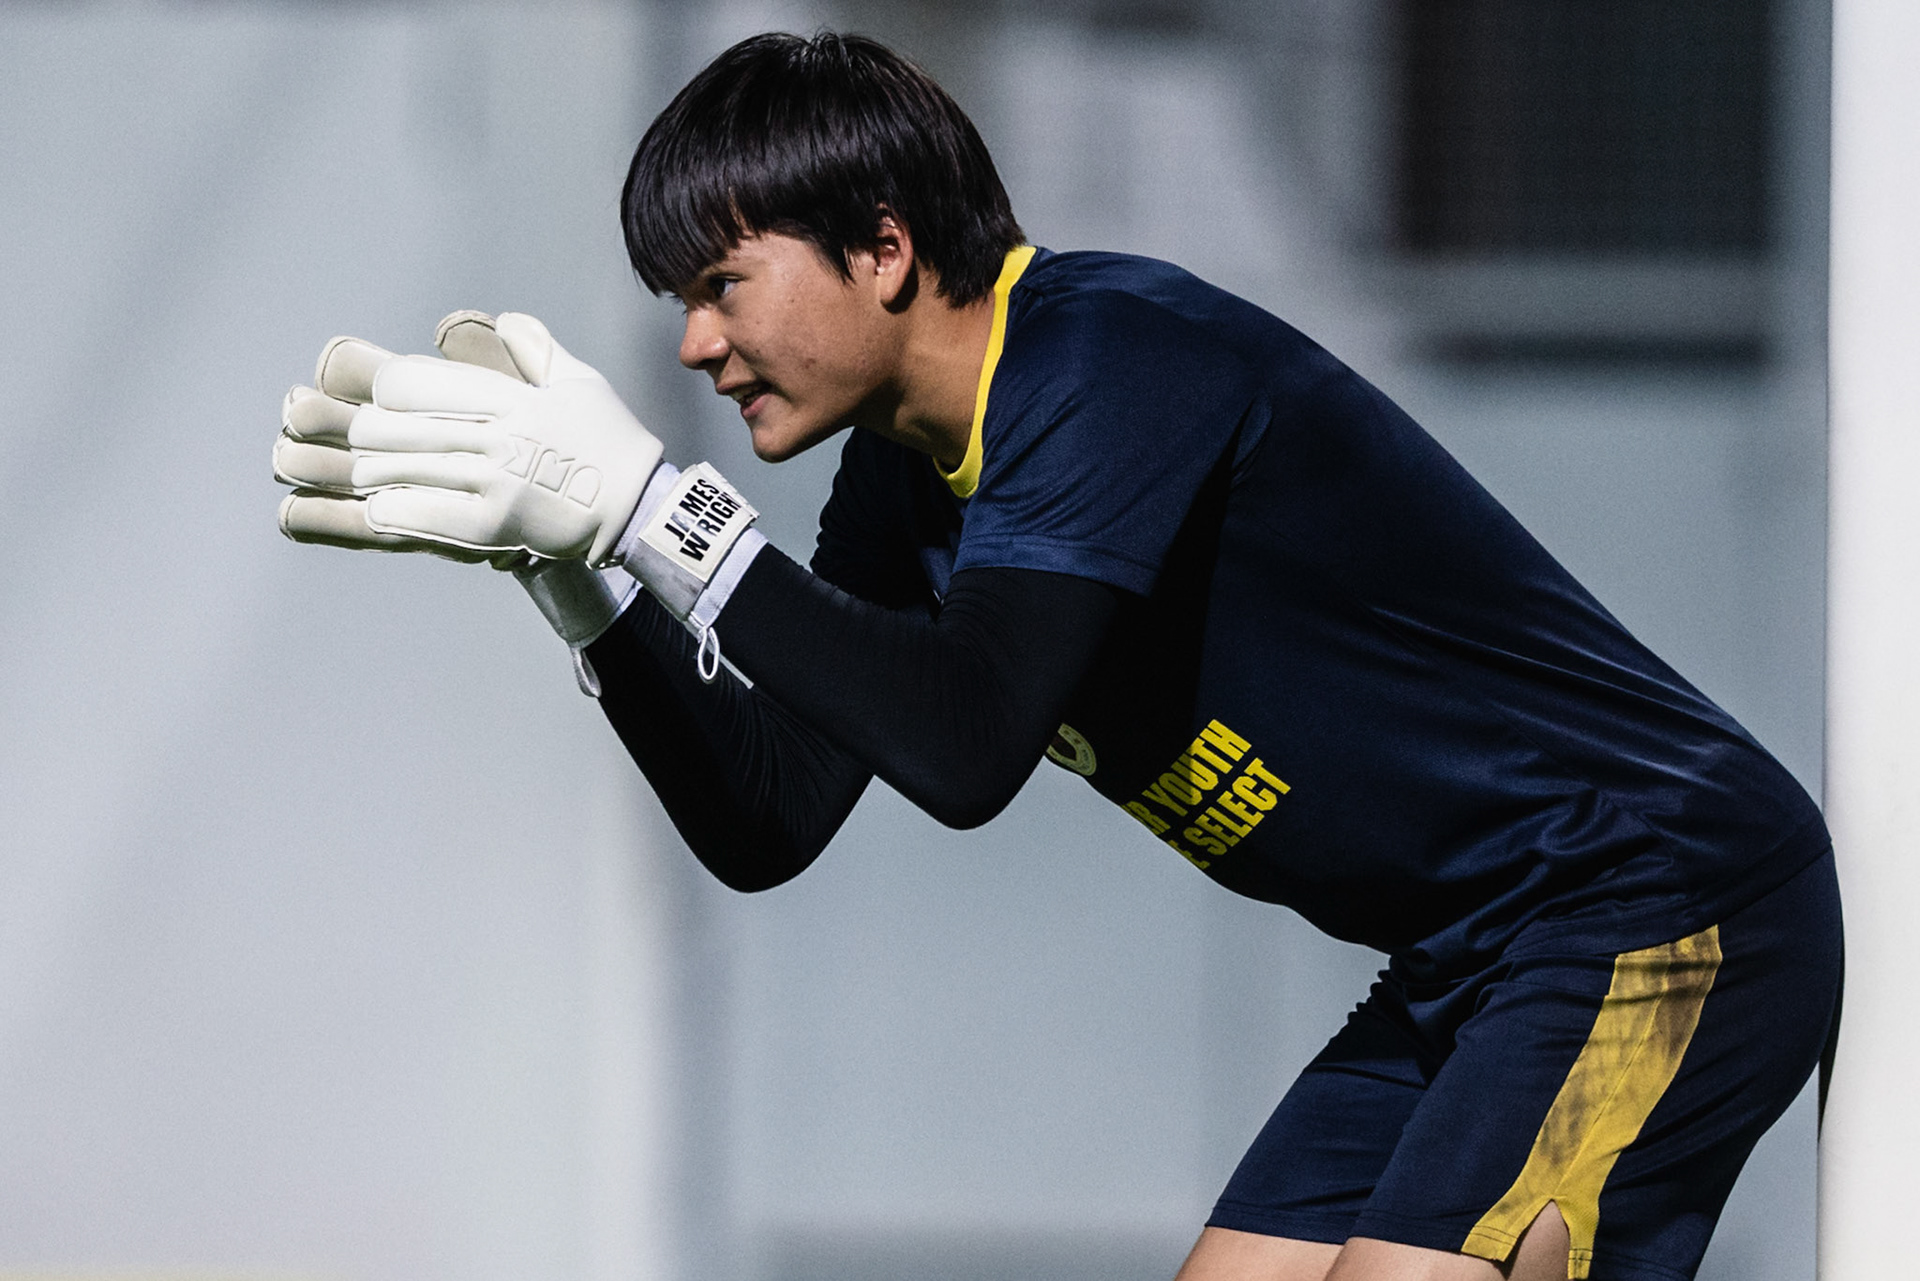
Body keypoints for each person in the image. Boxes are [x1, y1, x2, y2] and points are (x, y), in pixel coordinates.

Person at [272, 31, 1841, 1281]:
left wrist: (651, 506)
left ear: (882, 248)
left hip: (1653, 891)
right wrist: (585, 573)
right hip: (1469, 958)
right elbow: (771, 814)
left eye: (719, 283)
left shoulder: (1105, 358)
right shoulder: (902, 469)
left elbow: (967, 746)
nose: (692, 342)